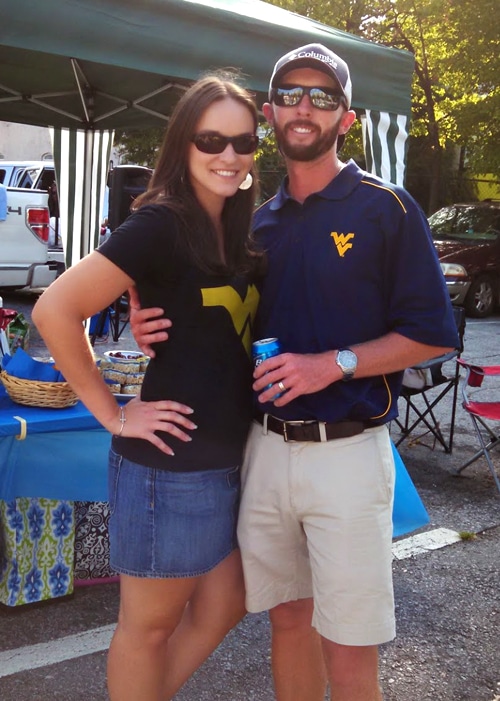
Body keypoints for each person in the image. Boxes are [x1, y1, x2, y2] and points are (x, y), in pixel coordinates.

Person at [130, 44, 459, 701]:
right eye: (290, 95)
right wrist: (147, 318)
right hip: (265, 450)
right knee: (288, 621)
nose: (304, 108)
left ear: (348, 118)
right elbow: (205, 300)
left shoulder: (386, 209)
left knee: (350, 650)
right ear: (268, 111)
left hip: (347, 455)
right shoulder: (252, 218)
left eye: (322, 97)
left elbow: (432, 336)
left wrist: (332, 365)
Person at [32, 73, 263, 701]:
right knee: (149, 627)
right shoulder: (162, 222)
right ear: (184, 142)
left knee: (226, 605)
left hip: (227, 460)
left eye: (244, 142)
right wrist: (113, 413)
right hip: (169, 468)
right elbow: (54, 311)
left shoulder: (240, 228)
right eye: (211, 138)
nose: (228, 155)